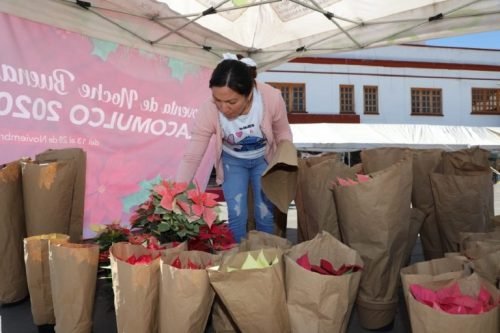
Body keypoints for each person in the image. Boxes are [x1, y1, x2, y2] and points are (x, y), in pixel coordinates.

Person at [176, 57, 293, 242]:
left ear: (249, 95)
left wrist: (284, 164)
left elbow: (283, 134)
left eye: (231, 102)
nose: (224, 108)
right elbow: (192, 155)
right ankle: (235, 262)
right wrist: (176, 190)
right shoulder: (209, 109)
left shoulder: (271, 98)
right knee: (237, 215)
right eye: (218, 100)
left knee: (265, 215)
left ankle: (268, 261)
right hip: (233, 162)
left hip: (264, 160)